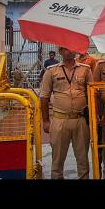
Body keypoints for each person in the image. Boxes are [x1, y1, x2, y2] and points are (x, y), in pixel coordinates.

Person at [39, 46, 93, 179]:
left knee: (83, 161)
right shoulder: (52, 71)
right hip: (59, 120)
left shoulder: (85, 70)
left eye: (71, 48)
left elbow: (92, 94)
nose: (69, 51)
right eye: (65, 49)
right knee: (57, 161)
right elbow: (44, 97)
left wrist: (92, 118)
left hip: (80, 120)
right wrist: (46, 121)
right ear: (60, 52)